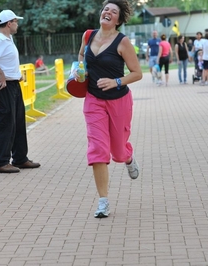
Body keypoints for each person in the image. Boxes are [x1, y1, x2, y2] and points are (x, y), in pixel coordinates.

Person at [76, 0, 142, 218]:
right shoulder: (88, 35)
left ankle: (128, 158)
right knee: (98, 150)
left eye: (113, 12)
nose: (108, 13)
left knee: (119, 152)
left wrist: (116, 81)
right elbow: (80, 58)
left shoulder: (123, 43)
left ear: (119, 20)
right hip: (93, 100)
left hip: (119, 101)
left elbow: (137, 73)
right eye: (106, 9)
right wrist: (80, 72)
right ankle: (103, 201)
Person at [0, 10, 41, 174]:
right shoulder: (0, 39)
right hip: (2, 88)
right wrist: (1, 74)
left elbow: (5, 59)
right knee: (5, 124)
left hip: (12, 85)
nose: (17, 24)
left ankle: (20, 158)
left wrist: (15, 74)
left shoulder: (6, 38)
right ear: (9, 23)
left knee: (18, 122)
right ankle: (0, 162)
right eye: (16, 21)